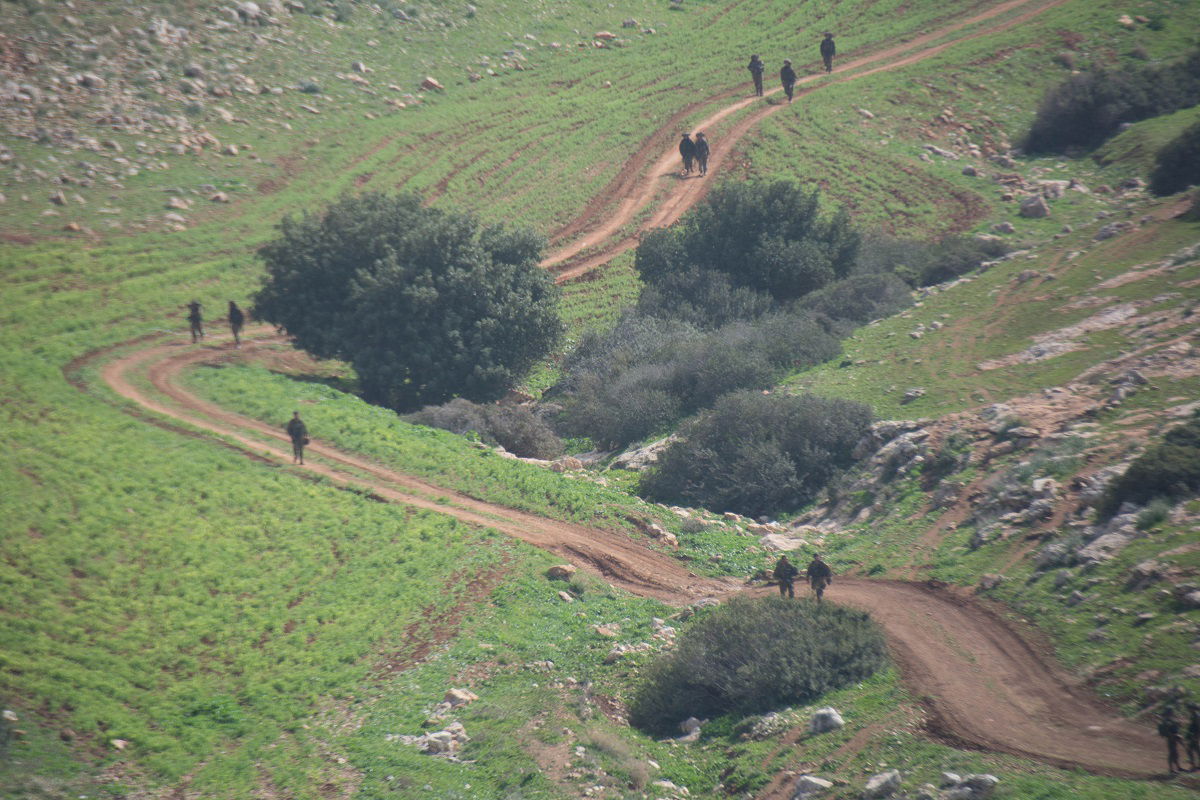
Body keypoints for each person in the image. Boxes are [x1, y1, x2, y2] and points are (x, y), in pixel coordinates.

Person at [1159, 706, 1184, 774]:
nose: (1172, 712)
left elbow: (1175, 727)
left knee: (1175, 753)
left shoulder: (1170, 719)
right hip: (1171, 739)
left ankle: (1178, 767)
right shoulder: (1166, 720)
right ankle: (1171, 769)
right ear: (1169, 712)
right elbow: (1167, 731)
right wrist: (1173, 736)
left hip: (1174, 737)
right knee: (1172, 754)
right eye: (1171, 711)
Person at [1187, 702, 1200, 771]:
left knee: (1189, 750)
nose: (1188, 710)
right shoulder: (1194, 715)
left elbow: (1198, 726)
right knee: (1197, 750)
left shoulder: (1196, 715)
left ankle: (1193, 766)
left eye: (1189, 708)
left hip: (1195, 735)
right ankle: (1195, 765)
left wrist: (1197, 736)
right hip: (1194, 735)